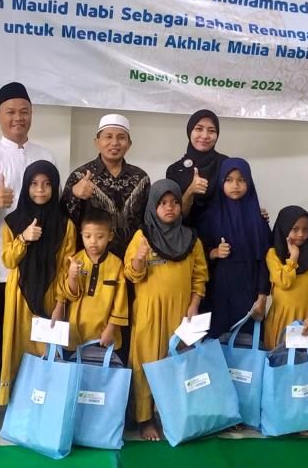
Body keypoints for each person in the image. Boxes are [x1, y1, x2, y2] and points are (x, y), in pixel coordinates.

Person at [0, 82, 54, 409]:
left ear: (32, 114)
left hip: (38, 262)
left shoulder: (45, 155)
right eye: (10, 112)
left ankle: (30, 397)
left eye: (24, 112)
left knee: (33, 332)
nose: (18, 118)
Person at [124, 180, 208, 442]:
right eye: (162, 203)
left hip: (181, 314)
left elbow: (199, 277)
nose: (169, 208)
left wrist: (194, 305)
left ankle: (173, 414)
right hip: (149, 313)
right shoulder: (142, 237)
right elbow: (131, 275)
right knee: (147, 363)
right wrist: (139, 258)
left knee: (177, 364)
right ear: (153, 206)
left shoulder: (191, 239)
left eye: (174, 202)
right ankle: (145, 419)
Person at [0, 160, 76, 405]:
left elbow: (65, 268)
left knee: (47, 351)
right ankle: (17, 406)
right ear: (26, 186)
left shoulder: (65, 224)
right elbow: (8, 260)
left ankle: (45, 406)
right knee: (18, 349)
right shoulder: (12, 222)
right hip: (19, 297)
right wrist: (23, 238)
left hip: (50, 296)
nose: (40, 189)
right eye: (33, 184)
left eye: (46, 184)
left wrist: (60, 303)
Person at [198, 158, 271, 338]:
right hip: (217, 293)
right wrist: (214, 252)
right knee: (216, 344)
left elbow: (266, 261)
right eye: (229, 180)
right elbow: (196, 257)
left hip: (248, 293)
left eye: (241, 180)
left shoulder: (258, 220)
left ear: (249, 182)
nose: (235, 185)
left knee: (247, 343)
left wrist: (262, 296)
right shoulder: (209, 217)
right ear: (221, 182)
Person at [60, 114, 149, 260]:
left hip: (131, 261)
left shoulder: (141, 178)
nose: (114, 142)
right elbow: (64, 220)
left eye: (121, 137)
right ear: (97, 142)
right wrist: (74, 194)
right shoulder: (80, 175)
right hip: (91, 261)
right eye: (108, 137)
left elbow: (147, 221)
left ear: (129, 144)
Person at [58, 208, 128, 350]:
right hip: (76, 331)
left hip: (104, 334)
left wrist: (111, 329)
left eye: (100, 237)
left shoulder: (116, 264)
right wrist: (72, 276)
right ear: (81, 235)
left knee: (101, 364)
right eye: (88, 236)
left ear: (110, 236)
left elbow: (120, 302)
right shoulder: (75, 260)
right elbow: (71, 295)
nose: (93, 242)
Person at [264, 206, 308, 350]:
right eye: (295, 229)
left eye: (305, 229)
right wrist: (293, 258)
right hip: (281, 320)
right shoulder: (273, 255)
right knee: (280, 359)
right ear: (284, 229)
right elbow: (284, 282)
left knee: (307, 360)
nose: (301, 234)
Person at [165, 110, 227, 225]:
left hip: (221, 232)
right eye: (199, 129)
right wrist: (190, 191)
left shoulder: (226, 164)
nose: (205, 136)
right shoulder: (174, 170)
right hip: (186, 233)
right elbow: (172, 214)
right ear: (190, 131)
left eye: (211, 130)